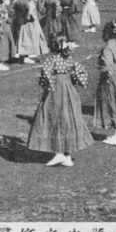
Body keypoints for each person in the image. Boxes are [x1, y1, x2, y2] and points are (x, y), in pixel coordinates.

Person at [27, 37, 93, 167]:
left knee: (55, 117)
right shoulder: (69, 60)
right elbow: (79, 72)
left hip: (56, 91)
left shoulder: (52, 59)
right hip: (69, 91)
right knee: (67, 119)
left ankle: (59, 153)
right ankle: (67, 155)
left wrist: (48, 86)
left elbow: (45, 75)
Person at [17, 0, 49, 64]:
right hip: (29, 24)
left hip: (30, 23)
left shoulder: (30, 2)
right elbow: (29, 15)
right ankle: (25, 56)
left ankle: (28, 54)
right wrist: (32, 18)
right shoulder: (29, 3)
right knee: (28, 38)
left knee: (30, 38)